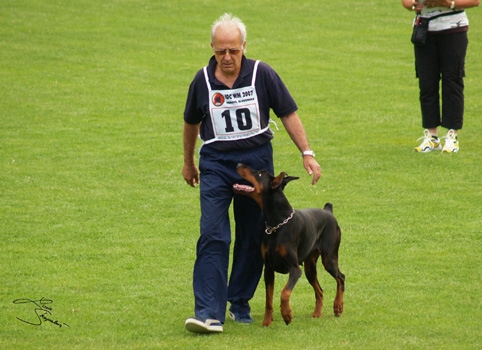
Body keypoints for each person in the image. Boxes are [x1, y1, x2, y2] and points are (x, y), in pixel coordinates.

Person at [182, 13, 322, 334]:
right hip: (216, 165)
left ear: (244, 46)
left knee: (252, 236)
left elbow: (287, 113)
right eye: (221, 51)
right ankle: (207, 312)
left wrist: (307, 153)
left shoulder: (262, 74)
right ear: (212, 48)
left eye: (233, 50)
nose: (228, 57)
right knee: (213, 234)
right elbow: (191, 123)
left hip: (255, 165)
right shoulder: (202, 81)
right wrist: (189, 161)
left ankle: (240, 301)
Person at [401, 0, 479, 153]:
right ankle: (432, 136)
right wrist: (413, 5)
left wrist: (448, 3)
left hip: (453, 30)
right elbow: (405, 2)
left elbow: (475, 1)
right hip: (424, 30)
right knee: (427, 82)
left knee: (452, 81)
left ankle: (452, 135)